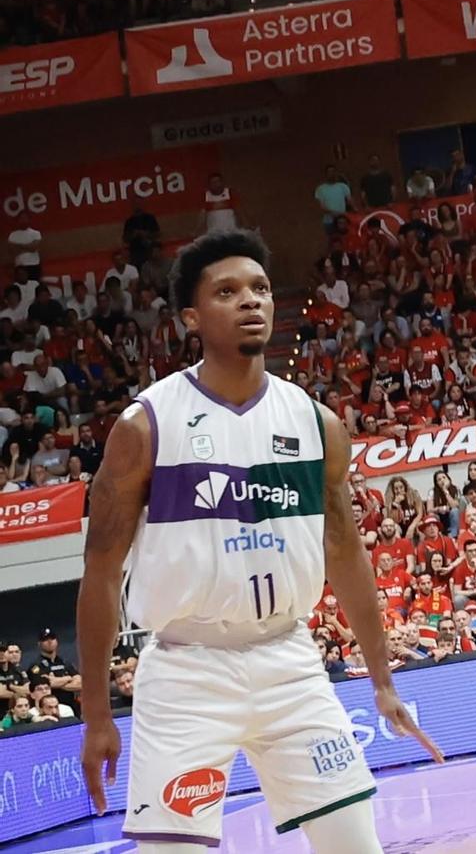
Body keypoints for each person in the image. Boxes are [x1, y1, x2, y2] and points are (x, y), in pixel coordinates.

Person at [75, 229, 441, 850]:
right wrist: (96, 716)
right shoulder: (146, 425)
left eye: (261, 289)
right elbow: (102, 572)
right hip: (186, 671)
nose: (251, 301)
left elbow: (346, 551)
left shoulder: (316, 423)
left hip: (290, 665)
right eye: (228, 291)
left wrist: (381, 678)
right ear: (191, 317)